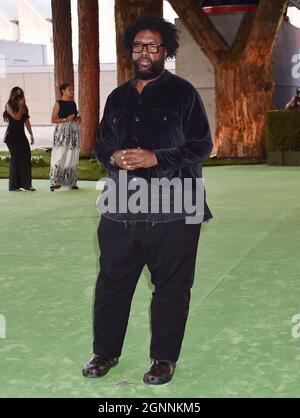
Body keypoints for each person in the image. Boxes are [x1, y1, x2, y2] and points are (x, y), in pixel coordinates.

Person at [83, 15, 213, 385]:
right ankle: (104, 353)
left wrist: (157, 157)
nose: (145, 52)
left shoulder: (184, 93)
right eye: (139, 45)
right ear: (130, 50)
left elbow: (203, 145)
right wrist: (112, 157)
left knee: (172, 289)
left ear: (165, 51)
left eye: (153, 45)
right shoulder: (117, 97)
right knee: (111, 284)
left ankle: (163, 359)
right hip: (121, 208)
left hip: (175, 211)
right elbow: (101, 143)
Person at [3, 87, 36, 191]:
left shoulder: (24, 107)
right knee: (16, 158)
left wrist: (31, 134)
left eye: (21, 94)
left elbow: (26, 122)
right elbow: (17, 118)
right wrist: (21, 105)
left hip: (21, 136)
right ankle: (14, 186)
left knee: (26, 157)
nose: (19, 97)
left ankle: (27, 184)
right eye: (17, 95)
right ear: (12, 95)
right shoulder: (9, 105)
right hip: (12, 137)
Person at [50, 83, 80, 191]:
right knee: (60, 154)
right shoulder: (58, 103)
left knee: (72, 155)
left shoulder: (73, 103)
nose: (72, 91)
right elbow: (53, 119)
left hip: (73, 131)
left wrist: (77, 119)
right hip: (62, 132)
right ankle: (55, 181)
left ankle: (71, 181)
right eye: (69, 89)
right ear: (63, 91)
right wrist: (65, 119)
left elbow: (75, 117)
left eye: (72, 89)